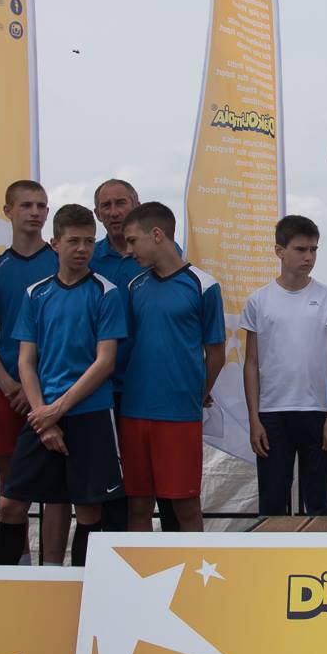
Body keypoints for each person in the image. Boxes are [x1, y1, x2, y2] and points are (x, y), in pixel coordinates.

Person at [0, 204, 126, 567]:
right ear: (55, 243)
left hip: (90, 413)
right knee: (10, 505)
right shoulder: (36, 293)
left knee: (88, 511)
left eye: (89, 241)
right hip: (43, 415)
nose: (82, 249)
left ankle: (85, 589)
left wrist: (58, 409)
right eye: (74, 241)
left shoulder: (106, 292)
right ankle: (1, 588)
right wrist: (43, 416)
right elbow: (26, 360)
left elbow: (105, 361)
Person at [119, 202, 225, 532]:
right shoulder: (135, 287)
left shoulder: (204, 285)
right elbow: (128, 348)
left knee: (186, 505)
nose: (128, 250)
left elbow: (216, 354)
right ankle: (139, 567)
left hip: (179, 414)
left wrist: (198, 393)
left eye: (132, 240)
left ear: (156, 234)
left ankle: (195, 567)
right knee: (138, 504)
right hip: (134, 411)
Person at [90, 178, 180, 533]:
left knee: (171, 491)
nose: (114, 212)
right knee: (117, 490)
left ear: (136, 205)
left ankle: (177, 562)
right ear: (97, 213)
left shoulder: (162, 253)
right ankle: (119, 562)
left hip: (154, 389)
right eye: (106, 205)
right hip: (104, 389)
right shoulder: (89, 257)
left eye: (121, 203)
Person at [0, 180, 67, 564]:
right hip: (8, 391)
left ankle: (53, 565)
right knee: (10, 477)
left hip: (54, 389)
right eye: (26, 205)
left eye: (41, 206)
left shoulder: (60, 261)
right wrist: (6, 382)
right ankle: (20, 564)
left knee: (57, 482)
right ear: (8, 211)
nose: (35, 212)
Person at [241, 215, 327, 516]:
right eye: (300, 249)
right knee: (272, 502)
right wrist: (254, 419)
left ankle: (318, 550)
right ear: (280, 251)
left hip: (318, 412)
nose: (308, 257)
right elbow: (251, 363)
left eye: (313, 249)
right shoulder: (259, 300)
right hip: (272, 413)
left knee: (319, 503)